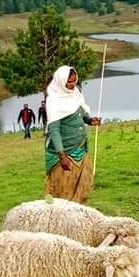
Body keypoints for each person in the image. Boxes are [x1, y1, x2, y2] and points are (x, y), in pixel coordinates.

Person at [43, 65, 101, 203]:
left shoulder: (76, 94)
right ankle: (57, 219)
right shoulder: (54, 101)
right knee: (62, 191)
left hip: (81, 149)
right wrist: (61, 155)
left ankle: (77, 215)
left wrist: (90, 120)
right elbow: (54, 130)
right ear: (60, 81)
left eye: (75, 81)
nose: (73, 84)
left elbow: (79, 115)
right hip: (65, 155)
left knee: (85, 184)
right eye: (69, 82)